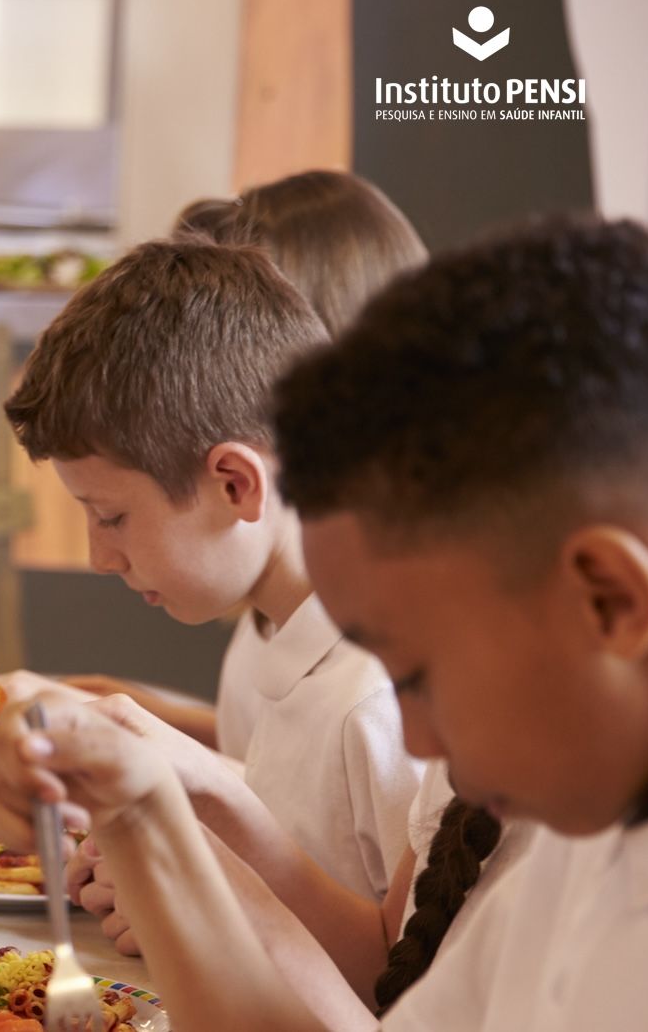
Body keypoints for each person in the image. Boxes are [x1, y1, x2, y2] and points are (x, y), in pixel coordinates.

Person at [0, 215, 648, 1030]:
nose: (415, 739)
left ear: (610, 601)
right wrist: (143, 812)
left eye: (420, 677)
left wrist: (169, 826)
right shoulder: (577, 844)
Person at [0, 236, 424, 911]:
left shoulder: (379, 703)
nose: (99, 558)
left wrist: (185, 891)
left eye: (110, 517)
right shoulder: (276, 629)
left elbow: (402, 966)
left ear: (235, 485)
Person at [69, 171, 431, 752]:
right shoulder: (278, 579)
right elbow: (278, 755)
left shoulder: (376, 654)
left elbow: (330, 765)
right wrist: (138, 713)